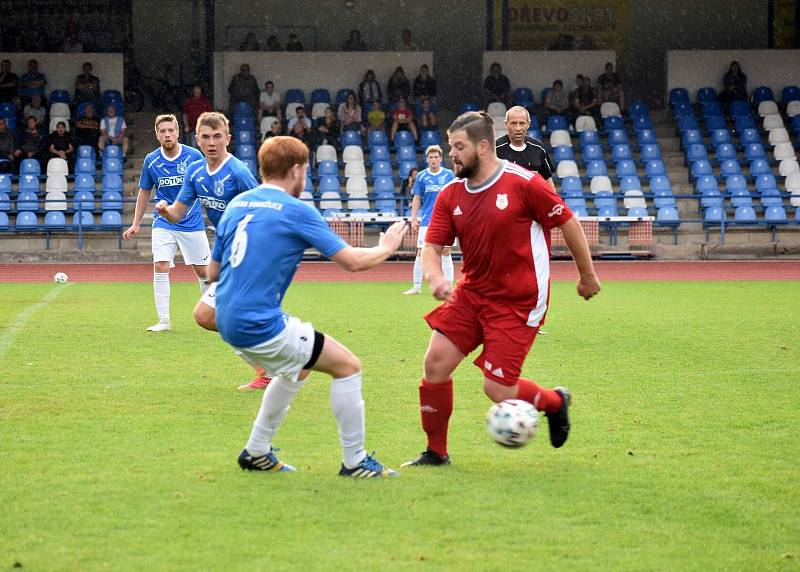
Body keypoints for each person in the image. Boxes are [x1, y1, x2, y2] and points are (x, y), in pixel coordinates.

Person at [401, 111, 601, 467]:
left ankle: (555, 402)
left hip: (519, 299)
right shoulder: (451, 194)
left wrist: (586, 276)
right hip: (472, 292)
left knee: (497, 389)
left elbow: (567, 221)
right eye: (450, 147)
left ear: (482, 146)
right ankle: (436, 453)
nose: (452, 155)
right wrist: (435, 276)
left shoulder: (525, 183)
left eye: (458, 147)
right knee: (434, 364)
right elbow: (432, 247)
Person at [204, 135, 409, 476]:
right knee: (348, 366)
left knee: (296, 368)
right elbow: (353, 262)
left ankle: (256, 452)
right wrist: (387, 246)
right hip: (258, 324)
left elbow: (212, 271)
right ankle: (356, 462)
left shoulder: (237, 204)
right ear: (297, 170)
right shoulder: (296, 210)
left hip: (225, 316)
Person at [155, 111, 268, 391]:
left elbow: (265, 206)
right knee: (209, 317)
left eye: (218, 136)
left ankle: (281, 358)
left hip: (250, 252)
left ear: (228, 138)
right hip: (228, 253)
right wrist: (165, 212)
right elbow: (179, 213)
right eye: (205, 137)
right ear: (197, 140)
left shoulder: (238, 171)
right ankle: (272, 364)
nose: (212, 142)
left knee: (213, 315)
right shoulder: (195, 172)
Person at [122, 114, 208, 332]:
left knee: (204, 273)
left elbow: (206, 183)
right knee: (160, 265)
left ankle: (213, 317)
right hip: (163, 222)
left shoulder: (194, 156)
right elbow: (144, 192)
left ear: (178, 133)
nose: (167, 134)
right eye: (163, 131)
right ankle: (164, 321)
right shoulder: (151, 160)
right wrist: (136, 223)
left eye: (171, 130)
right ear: (157, 134)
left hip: (191, 222)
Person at [496, 106, 557, 335]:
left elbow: (548, 184)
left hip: (535, 223)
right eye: (514, 123)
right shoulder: (496, 150)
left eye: (522, 123)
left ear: (529, 124)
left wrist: (554, 210)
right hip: (504, 223)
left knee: (537, 274)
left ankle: (535, 321)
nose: (518, 128)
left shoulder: (538, 149)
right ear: (506, 124)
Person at [403, 145, 455, 295]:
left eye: (436, 157)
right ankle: (416, 287)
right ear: (427, 159)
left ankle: (449, 286)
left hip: (445, 220)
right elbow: (417, 198)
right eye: (430, 157)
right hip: (426, 220)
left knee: (445, 252)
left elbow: (454, 196)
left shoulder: (448, 175)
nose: (433, 160)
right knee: (421, 252)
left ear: (440, 158)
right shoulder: (421, 176)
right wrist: (413, 218)